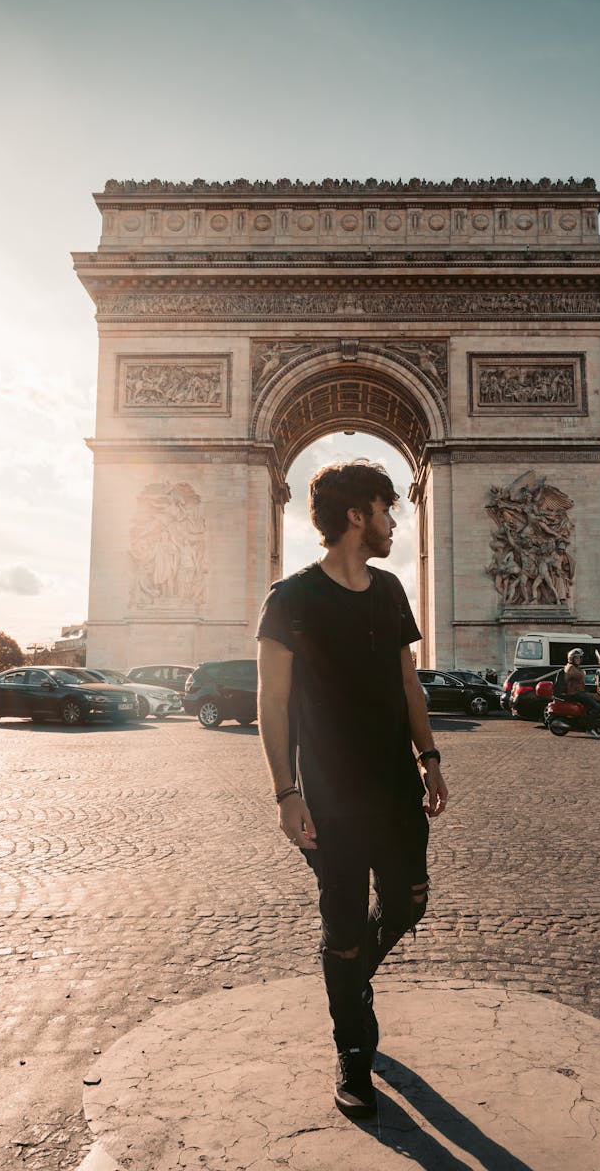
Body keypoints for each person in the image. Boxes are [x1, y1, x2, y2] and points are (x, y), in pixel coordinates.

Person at [256, 460, 448, 1120]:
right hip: (329, 794)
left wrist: (431, 757)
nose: (397, 521)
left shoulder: (393, 591)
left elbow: (408, 683)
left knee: (410, 901)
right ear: (358, 514)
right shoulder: (290, 599)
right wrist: (286, 793)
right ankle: (354, 1054)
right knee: (341, 928)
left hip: (396, 784)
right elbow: (272, 701)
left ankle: (349, 980)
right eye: (388, 508)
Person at [563, 647, 600, 735]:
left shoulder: (576, 668)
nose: (578, 660)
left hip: (580, 693)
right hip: (574, 694)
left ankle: (595, 727)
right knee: (596, 706)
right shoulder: (570, 668)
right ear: (571, 659)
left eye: (579, 658)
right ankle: (589, 729)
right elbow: (567, 680)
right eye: (576, 658)